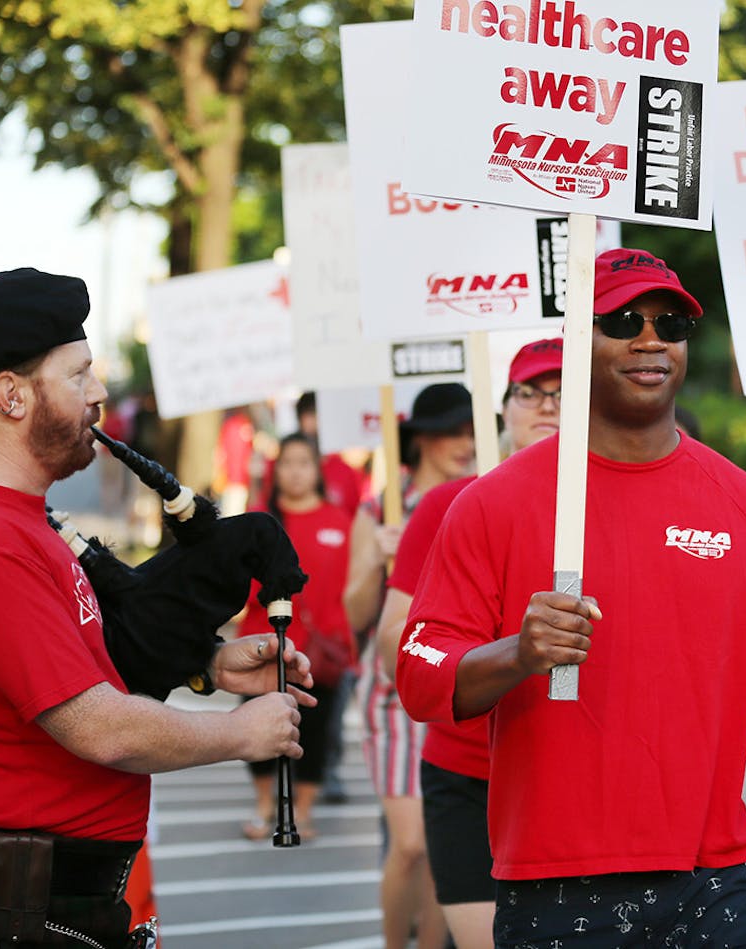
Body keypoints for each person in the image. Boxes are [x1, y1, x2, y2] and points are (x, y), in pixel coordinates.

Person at [395, 247, 746, 949]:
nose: (650, 337)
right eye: (622, 319)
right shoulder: (493, 504)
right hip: (556, 879)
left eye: (670, 324)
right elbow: (420, 676)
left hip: (716, 873)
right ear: (578, 341)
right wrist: (519, 651)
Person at [0, 268, 312, 948]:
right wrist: (240, 734)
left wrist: (206, 663)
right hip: (16, 917)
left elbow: (76, 654)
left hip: (33, 904)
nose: (99, 393)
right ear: (11, 394)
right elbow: (98, 727)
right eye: (80, 373)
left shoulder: (12, 516)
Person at [374, 336, 563, 949]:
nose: (546, 405)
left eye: (563, 393)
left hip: (569, 774)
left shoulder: (624, 503)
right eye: (529, 392)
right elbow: (396, 645)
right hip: (466, 771)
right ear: (503, 406)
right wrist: (493, 653)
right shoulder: (449, 504)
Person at [346, 381, 476, 949]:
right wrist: (377, 554)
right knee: (411, 842)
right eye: (452, 430)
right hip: (392, 690)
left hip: (463, 682)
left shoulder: (487, 496)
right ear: (420, 439)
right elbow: (353, 611)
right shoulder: (379, 507)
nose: (465, 442)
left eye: (473, 430)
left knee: (439, 845)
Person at [240, 432, 355, 842]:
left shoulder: (340, 521)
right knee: (255, 730)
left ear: (317, 470)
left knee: (314, 735)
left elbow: (351, 589)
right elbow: (241, 586)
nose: (295, 471)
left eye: (304, 462)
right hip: (263, 647)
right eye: (287, 462)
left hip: (320, 653)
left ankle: (301, 813)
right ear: (276, 469)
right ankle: (263, 806)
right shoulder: (259, 520)